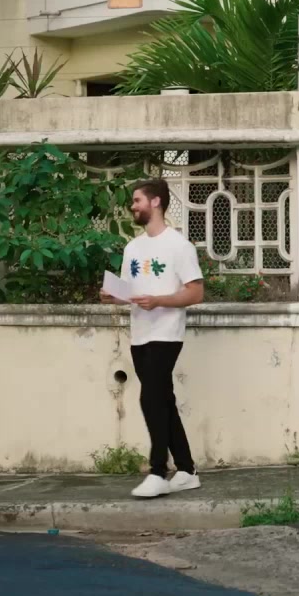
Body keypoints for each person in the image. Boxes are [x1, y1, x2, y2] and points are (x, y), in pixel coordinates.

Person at [101, 178, 205, 499]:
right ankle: (186, 470)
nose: (132, 206)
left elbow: (195, 292)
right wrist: (114, 296)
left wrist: (160, 301)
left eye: (137, 200)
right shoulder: (132, 248)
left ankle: (158, 471)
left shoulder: (179, 246)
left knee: (150, 398)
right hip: (140, 333)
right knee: (163, 399)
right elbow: (130, 292)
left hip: (166, 333)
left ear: (155, 201)